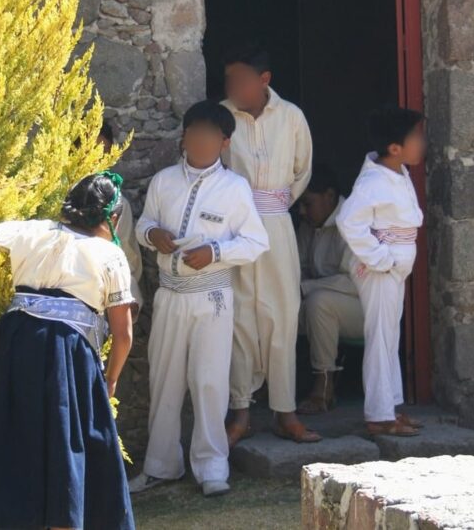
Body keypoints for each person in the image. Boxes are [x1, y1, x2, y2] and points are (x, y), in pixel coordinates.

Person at [0, 171, 136, 529]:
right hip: (67, 354)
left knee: (14, 440)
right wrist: (111, 378)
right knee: (65, 447)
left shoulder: (34, 230)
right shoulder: (110, 255)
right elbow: (123, 333)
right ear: (112, 217)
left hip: (13, 343)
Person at [130, 100, 269, 497]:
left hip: (213, 298)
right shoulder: (164, 181)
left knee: (209, 382)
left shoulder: (235, 188)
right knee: (164, 381)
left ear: (224, 142)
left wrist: (215, 252)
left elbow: (256, 242)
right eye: (194, 134)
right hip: (170, 295)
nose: (200, 142)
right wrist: (152, 234)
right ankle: (161, 466)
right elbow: (143, 224)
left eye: (210, 136)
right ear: (184, 137)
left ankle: (212, 468)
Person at [221, 43, 319, 445]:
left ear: (264, 80)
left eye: (241, 79)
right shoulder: (222, 116)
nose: (233, 87)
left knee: (283, 313)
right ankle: (241, 412)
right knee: (239, 315)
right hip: (233, 229)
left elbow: (301, 171)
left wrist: (270, 207)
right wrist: (242, 210)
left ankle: (285, 412)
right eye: (229, 80)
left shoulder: (291, 116)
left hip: (277, 227)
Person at [336, 107, 426, 437]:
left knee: (390, 338)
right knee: (379, 339)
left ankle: (391, 407)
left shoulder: (398, 173)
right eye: (416, 137)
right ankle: (378, 415)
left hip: (393, 270)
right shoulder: (373, 181)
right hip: (380, 271)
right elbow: (348, 221)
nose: (422, 143)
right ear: (394, 147)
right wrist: (381, 259)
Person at [295, 165, 365, 415]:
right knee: (274, 307)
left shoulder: (352, 221)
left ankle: (323, 387)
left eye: (307, 203)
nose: (302, 211)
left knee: (319, 302)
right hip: (319, 304)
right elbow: (299, 270)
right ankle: (263, 383)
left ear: (329, 196)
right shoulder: (308, 226)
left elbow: (355, 283)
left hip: (363, 309)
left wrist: (305, 288)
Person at [99, 120, 144, 318]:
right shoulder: (51, 196)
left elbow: (127, 257)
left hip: (106, 297)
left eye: (103, 152)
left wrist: (127, 296)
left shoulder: (118, 203)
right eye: (88, 151)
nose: (96, 159)